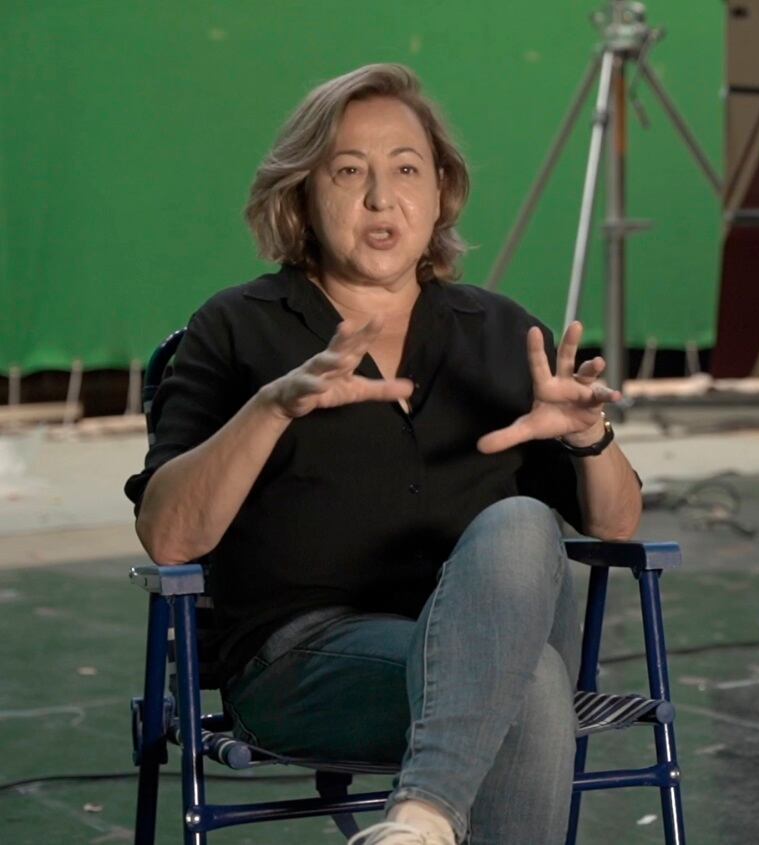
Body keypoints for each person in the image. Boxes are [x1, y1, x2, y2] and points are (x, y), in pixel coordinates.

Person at [124, 63, 643, 845]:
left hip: (488, 643)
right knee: (532, 682)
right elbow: (169, 536)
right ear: (301, 194)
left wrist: (586, 437)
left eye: (405, 169)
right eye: (348, 171)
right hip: (307, 662)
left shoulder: (504, 333)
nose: (380, 197)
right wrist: (271, 408)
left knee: (524, 524)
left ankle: (419, 818)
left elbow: (619, 524)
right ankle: (426, 813)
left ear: (440, 192)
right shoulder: (237, 329)